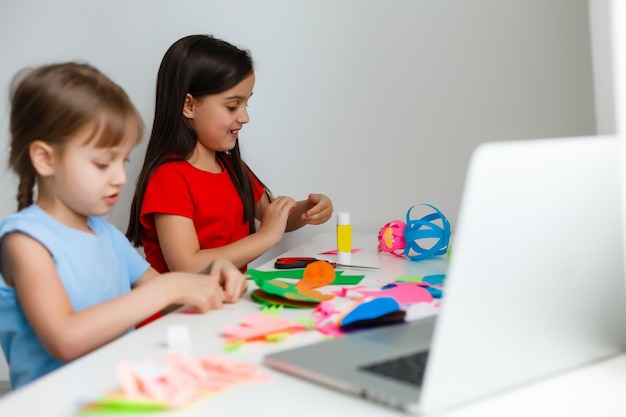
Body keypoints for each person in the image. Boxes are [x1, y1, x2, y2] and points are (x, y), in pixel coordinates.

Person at [0, 62, 248, 390]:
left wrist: (211, 274)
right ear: (46, 159)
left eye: (124, 161)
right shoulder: (24, 242)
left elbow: (171, 296)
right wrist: (169, 288)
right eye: (103, 163)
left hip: (116, 396)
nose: (120, 177)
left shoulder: (106, 235)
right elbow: (65, 339)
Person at [126, 34, 334, 276]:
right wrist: (265, 237)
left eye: (247, 104)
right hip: (181, 312)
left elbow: (276, 220)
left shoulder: (231, 167)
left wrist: (308, 209)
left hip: (226, 304)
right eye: (233, 106)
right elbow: (187, 266)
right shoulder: (169, 178)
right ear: (189, 106)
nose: (245, 117)